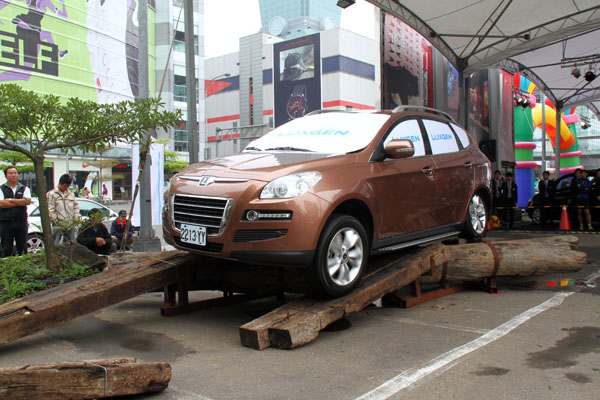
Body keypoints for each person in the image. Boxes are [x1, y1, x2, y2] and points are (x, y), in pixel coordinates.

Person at [0, 166, 32, 257]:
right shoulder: (1, 189)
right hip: (6, 223)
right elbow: (1, 204)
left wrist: (10, 200)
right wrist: (19, 202)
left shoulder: (24, 188)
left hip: (21, 222)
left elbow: (27, 201)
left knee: (22, 247)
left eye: (15, 173)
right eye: (10, 173)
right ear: (6, 176)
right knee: (6, 248)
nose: (13, 175)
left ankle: (23, 263)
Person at [47, 174, 80, 244]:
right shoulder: (52, 194)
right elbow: (50, 209)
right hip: (58, 223)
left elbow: (75, 206)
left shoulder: (71, 194)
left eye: (68, 186)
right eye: (65, 186)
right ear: (60, 183)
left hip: (70, 223)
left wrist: (76, 216)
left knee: (70, 243)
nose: (66, 188)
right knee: (55, 243)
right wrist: (56, 220)